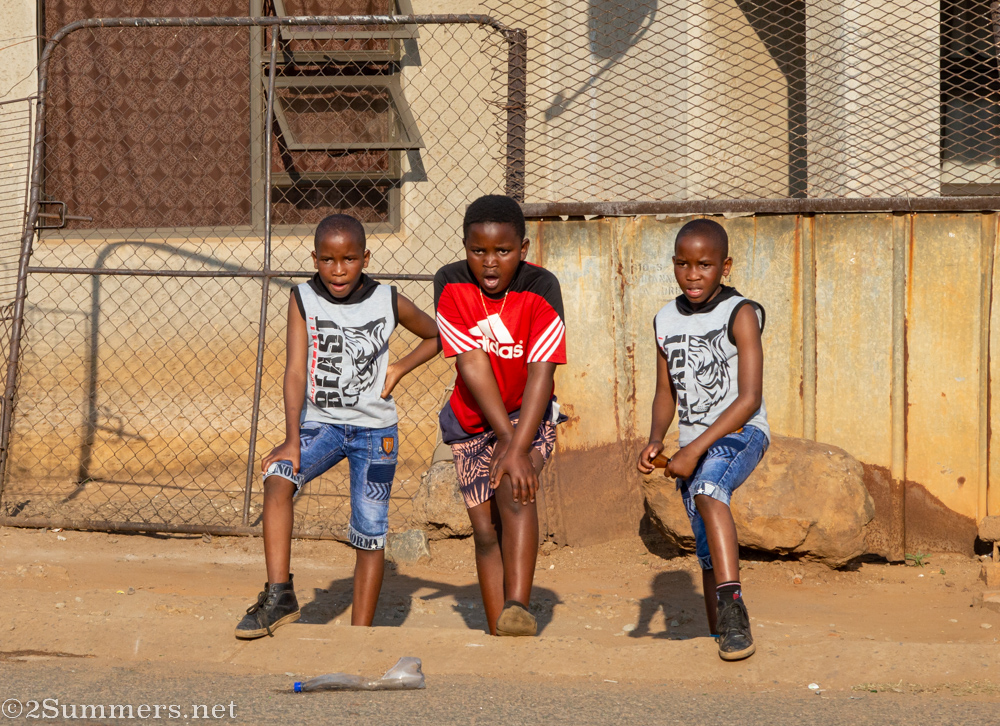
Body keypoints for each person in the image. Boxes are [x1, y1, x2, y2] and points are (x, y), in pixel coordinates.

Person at [235, 214, 440, 639]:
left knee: (369, 533)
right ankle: (279, 595)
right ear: (314, 258)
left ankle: (357, 638)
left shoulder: (388, 299)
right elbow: (295, 371)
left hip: (375, 434)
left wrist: (400, 367)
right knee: (277, 477)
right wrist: (293, 439)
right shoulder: (303, 299)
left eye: (349, 259)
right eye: (328, 259)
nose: (339, 269)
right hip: (321, 425)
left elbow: (437, 335)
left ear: (365, 257)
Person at [636, 218, 769, 661]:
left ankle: (733, 610)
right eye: (683, 264)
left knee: (712, 489)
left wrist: (694, 449)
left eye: (705, 265)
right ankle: (724, 637)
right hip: (692, 442)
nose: (693, 274)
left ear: (724, 266)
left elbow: (749, 398)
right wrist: (657, 438)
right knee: (707, 548)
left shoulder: (741, 313)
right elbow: (664, 391)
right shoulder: (664, 318)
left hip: (739, 432)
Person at [434, 194, 567, 636]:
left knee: (515, 486)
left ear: (523, 250)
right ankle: (498, 628)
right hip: (472, 420)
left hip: (528, 414)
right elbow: (471, 364)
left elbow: (541, 374)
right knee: (485, 529)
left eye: (503, 252)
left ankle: (518, 607)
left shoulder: (542, 287)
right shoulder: (450, 283)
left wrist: (517, 443)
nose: (490, 263)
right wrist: (502, 438)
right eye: (479, 251)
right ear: (465, 247)